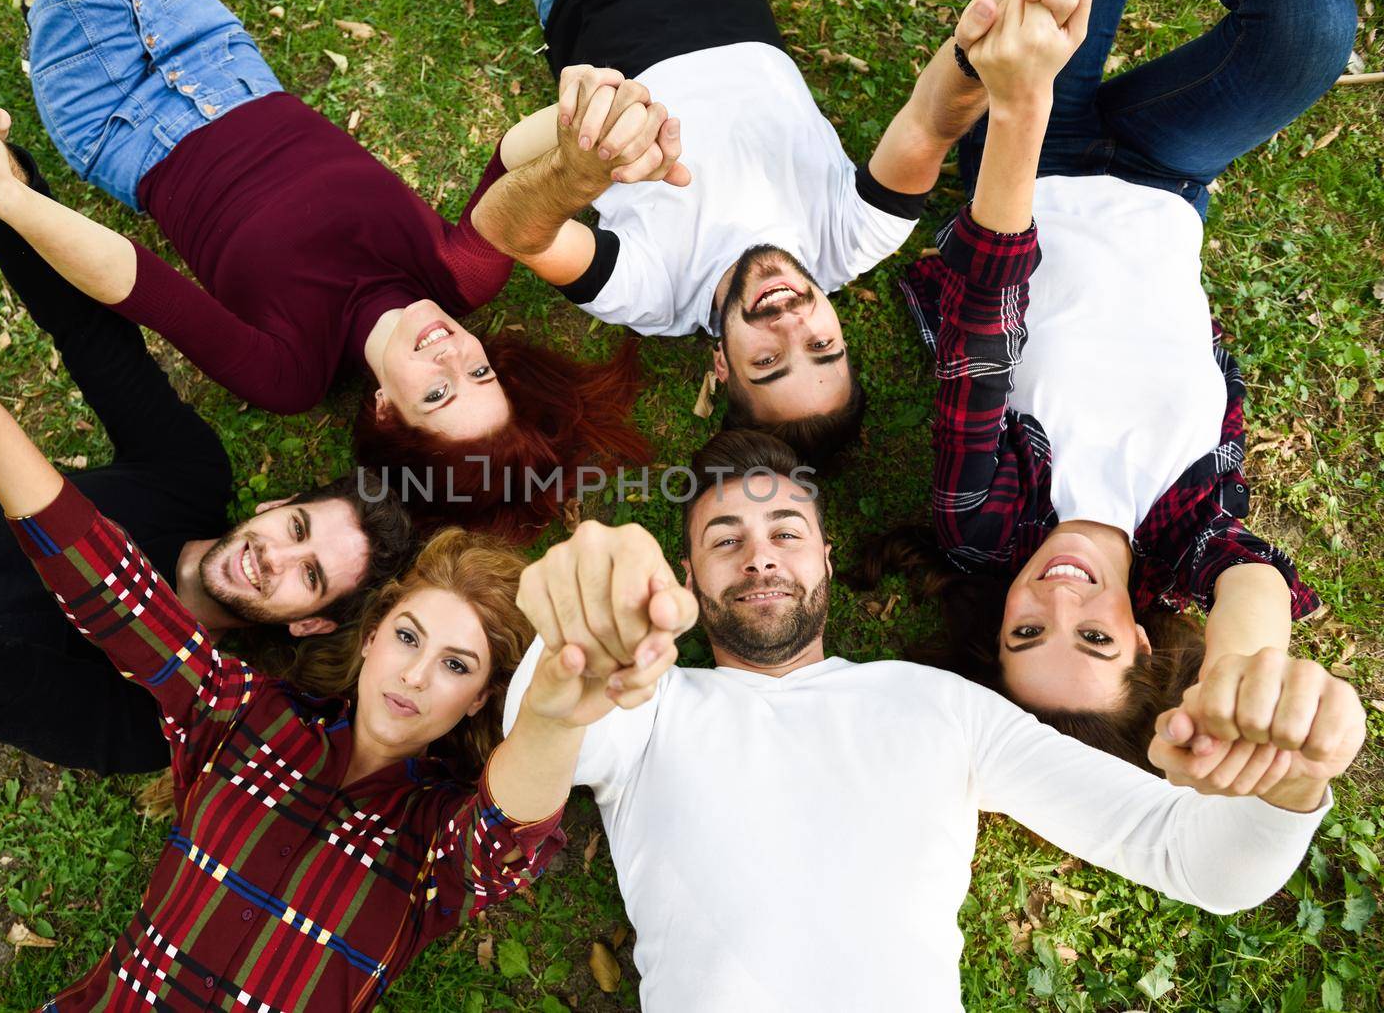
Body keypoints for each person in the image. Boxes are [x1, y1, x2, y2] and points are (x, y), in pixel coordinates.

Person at [0, 305, 681, 1010]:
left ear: (477, 705)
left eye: (458, 667)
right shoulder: (247, 716)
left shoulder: (433, 849)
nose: (417, 673)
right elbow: (114, 586)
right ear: (372, 635)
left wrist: (562, 704)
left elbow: (508, 836)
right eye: (411, 637)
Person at [503, 429, 1365, 1012]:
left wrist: (1289, 783)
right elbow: (527, 763)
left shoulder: (942, 706)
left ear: (828, 563)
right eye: (723, 538)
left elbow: (1196, 860)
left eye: (785, 530)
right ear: (687, 580)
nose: (760, 552)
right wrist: (568, 645)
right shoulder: (649, 704)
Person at [0, 0, 673, 539]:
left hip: (118, 115)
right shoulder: (462, 277)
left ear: (387, 411)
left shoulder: (291, 372)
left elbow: (132, 282)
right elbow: (514, 163)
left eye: (437, 392)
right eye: (479, 370)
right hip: (222, 59)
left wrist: (0, 190)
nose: (451, 352)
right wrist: (592, 114)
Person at [871, 0, 1357, 768]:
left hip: (1035, 155)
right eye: (1092, 637)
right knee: (1310, 36)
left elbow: (982, 325)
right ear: (1139, 638)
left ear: (999, 624)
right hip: (1166, 175)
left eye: (1026, 631)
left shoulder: (986, 523)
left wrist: (1022, 102)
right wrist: (1240, 672)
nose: (1059, 599)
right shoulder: (1183, 537)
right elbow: (1252, 578)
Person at [0, 190, 412, 785]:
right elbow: (86, 329)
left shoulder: (163, 712)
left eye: (311, 577)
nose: (275, 557)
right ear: (276, 506)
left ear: (308, 625)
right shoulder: (189, 476)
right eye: (296, 530)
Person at [469, 0, 1087, 465]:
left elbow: (515, 232)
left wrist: (578, 172)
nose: (792, 323)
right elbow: (929, 125)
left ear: (721, 366)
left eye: (768, 361)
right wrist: (977, 52)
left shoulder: (650, 295)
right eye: (822, 348)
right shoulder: (855, 239)